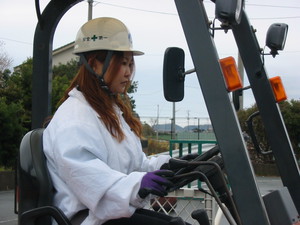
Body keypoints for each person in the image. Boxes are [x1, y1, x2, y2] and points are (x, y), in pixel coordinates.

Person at [43, 17, 190, 225]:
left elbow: (137, 165)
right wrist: (138, 184)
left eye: (130, 64)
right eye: (122, 63)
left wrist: (173, 165)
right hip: (88, 219)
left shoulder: (108, 114)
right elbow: (92, 181)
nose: (128, 73)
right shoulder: (74, 120)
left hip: (108, 215)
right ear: (94, 64)